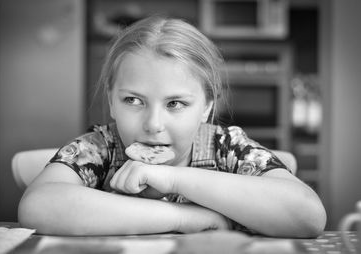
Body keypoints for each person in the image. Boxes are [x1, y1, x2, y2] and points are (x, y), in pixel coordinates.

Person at [18, 16, 326, 237]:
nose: (152, 125)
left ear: (207, 107)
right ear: (111, 101)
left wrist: (173, 178)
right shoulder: (99, 150)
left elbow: (308, 216)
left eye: (175, 104)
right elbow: (38, 206)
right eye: (133, 101)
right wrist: (186, 218)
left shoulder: (228, 148)